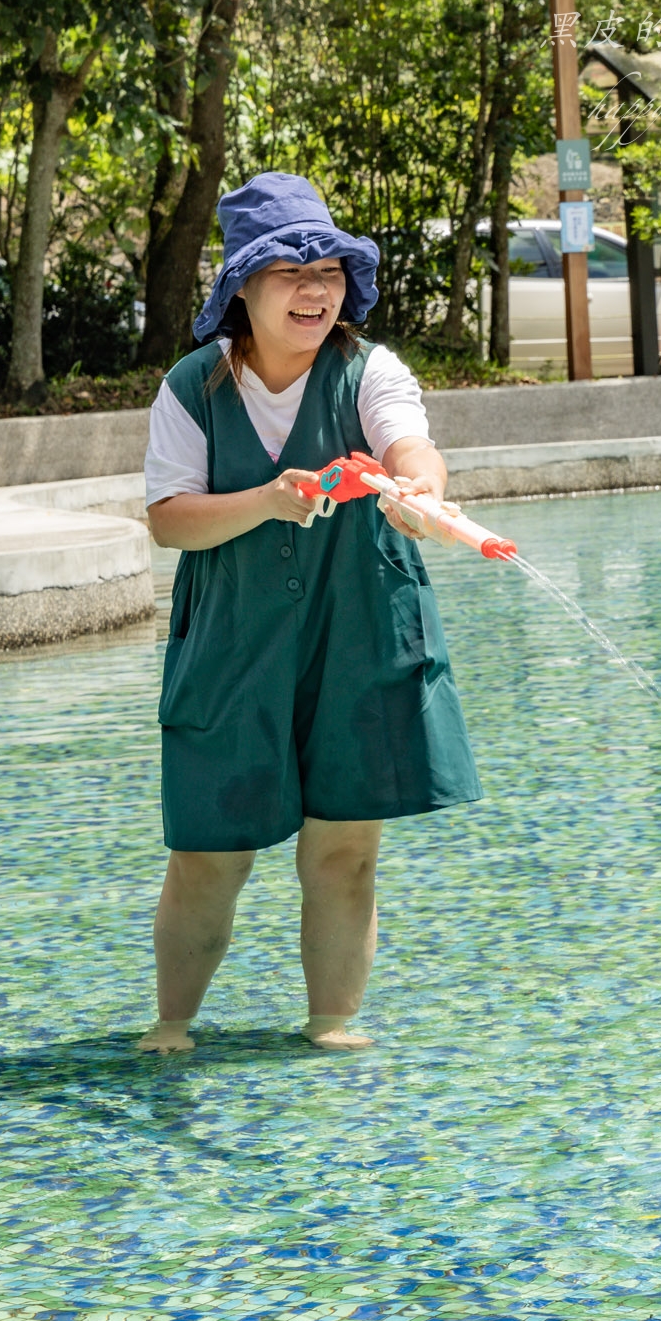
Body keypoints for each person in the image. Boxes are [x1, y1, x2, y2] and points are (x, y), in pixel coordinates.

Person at [135, 172, 481, 1054]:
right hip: (233, 640)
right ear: (241, 290)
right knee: (211, 852)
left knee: (344, 851)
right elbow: (170, 518)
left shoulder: (371, 371)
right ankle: (172, 1026)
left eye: (329, 269)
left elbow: (412, 446)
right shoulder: (191, 389)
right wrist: (265, 498)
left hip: (357, 628)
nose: (316, 288)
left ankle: (332, 1028)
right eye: (291, 271)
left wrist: (419, 494)